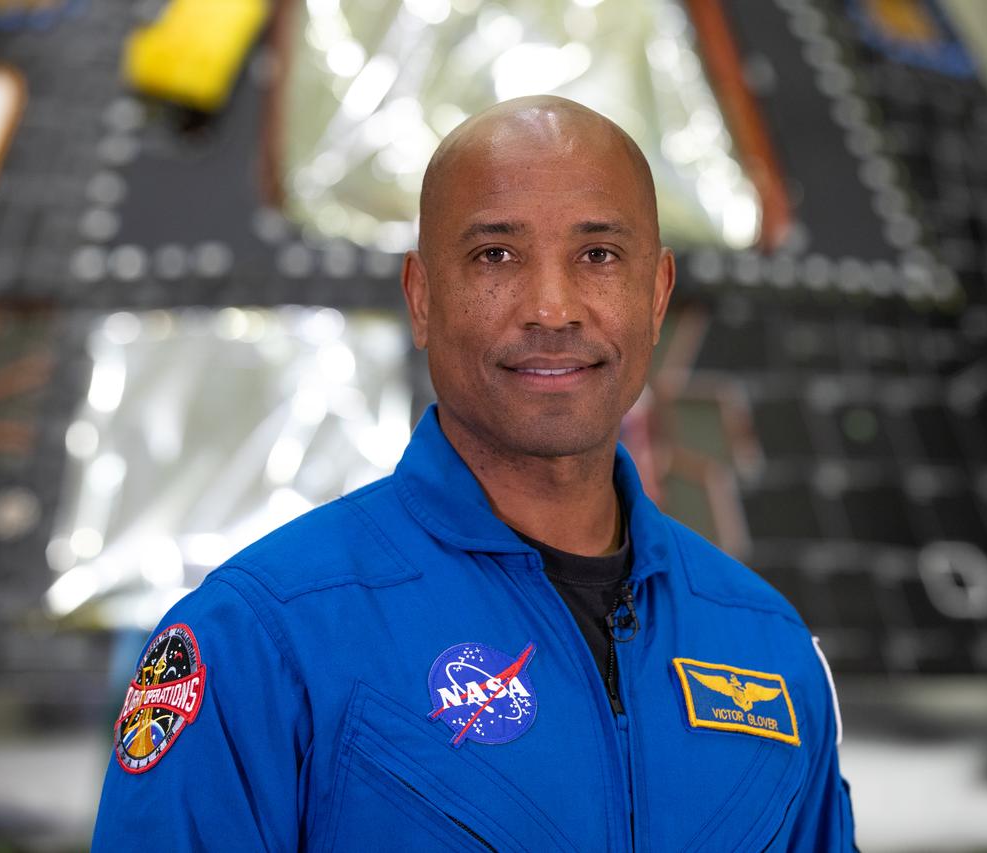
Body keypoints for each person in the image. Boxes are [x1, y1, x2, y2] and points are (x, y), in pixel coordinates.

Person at [91, 95, 856, 850]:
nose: (552, 308)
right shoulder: (259, 640)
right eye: (496, 255)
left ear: (657, 295)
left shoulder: (768, 651)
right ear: (421, 297)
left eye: (598, 255)